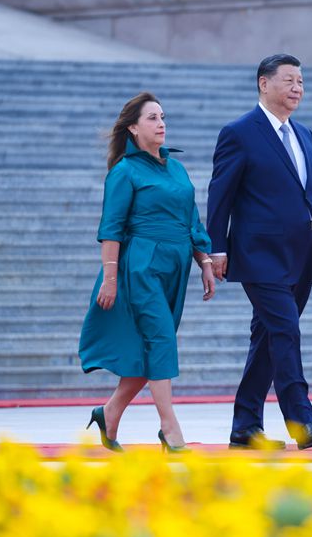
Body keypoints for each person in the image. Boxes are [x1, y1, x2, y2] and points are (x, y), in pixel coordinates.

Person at [206, 54, 312, 451]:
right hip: (258, 254)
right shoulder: (239, 133)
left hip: (302, 253)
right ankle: (301, 421)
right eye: (288, 80)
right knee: (285, 329)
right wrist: (215, 248)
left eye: (301, 82)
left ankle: (245, 427)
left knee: (269, 337)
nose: (297, 88)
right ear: (263, 84)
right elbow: (220, 194)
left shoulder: (304, 134)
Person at [78, 92, 216, 453]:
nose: (161, 124)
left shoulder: (176, 168)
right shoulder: (124, 171)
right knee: (161, 341)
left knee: (150, 351)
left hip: (176, 267)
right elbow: (111, 228)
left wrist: (204, 262)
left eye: (163, 117)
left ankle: (109, 414)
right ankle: (170, 429)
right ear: (133, 128)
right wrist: (109, 278)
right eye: (152, 118)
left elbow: (191, 219)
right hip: (141, 265)